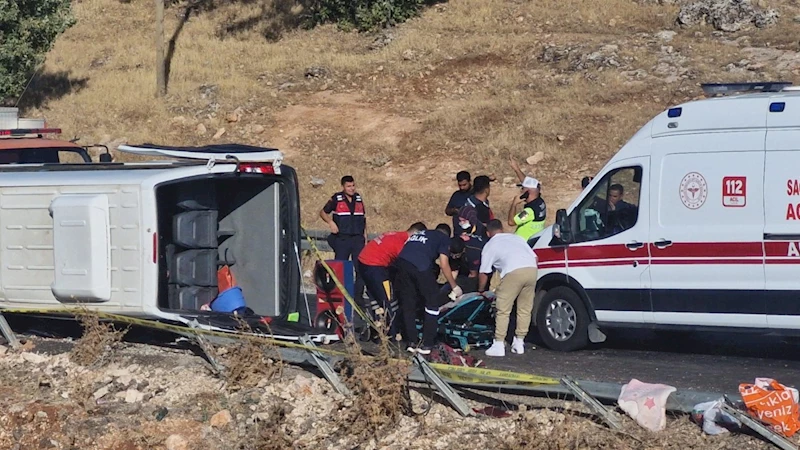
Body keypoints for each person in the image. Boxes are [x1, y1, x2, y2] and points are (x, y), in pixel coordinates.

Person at [393, 224, 463, 354]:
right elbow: (444, 264)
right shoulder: (444, 239)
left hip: (401, 263)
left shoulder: (422, 234)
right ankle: (427, 344)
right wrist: (454, 286)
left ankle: (412, 342)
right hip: (420, 265)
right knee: (432, 304)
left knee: (409, 304)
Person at [478, 219, 539, 357]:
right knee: (524, 309)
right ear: (502, 228)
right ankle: (519, 342)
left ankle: (498, 344)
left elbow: (484, 272)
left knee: (503, 308)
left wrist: (481, 290)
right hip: (531, 269)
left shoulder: (490, 245)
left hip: (513, 272)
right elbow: (535, 258)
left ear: (488, 233)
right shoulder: (516, 238)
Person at [357, 222, 427, 334]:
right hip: (375, 266)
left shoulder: (395, 234)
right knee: (388, 299)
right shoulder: (402, 244)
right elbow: (405, 264)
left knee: (375, 297)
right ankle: (392, 332)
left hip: (364, 261)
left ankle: (376, 326)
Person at [320, 175, 367, 303]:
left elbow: (363, 220)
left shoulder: (358, 199)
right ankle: (339, 295)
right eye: (348, 186)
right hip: (342, 239)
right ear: (343, 187)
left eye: (353, 185)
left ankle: (358, 297)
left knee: (360, 269)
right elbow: (323, 212)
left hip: (357, 239)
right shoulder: (337, 198)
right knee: (340, 268)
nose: (351, 188)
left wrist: (365, 238)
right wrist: (331, 223)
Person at [507, 176, 546, 241]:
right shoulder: (540, 202)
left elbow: (511, 222)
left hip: (524, 243)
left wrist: (514, 204)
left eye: (522, 188)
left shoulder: (529, 212)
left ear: (527, 192)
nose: (521, 191)